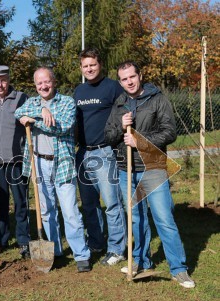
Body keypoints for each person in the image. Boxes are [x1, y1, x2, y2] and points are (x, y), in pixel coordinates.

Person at [105, 61, 195, 288]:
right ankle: (140, 261)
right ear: (120, 82)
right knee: (136, 219)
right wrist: (120, 126)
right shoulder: (119, 104)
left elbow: (170, 132)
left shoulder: (157, 99)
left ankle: (179, 269)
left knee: (164, 219)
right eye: (124, 79)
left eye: (132, 77)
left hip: (153, 167)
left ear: (140, 75)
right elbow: (108, 136)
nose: (129, 82)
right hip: (128, 170)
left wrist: (140, 141)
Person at [15, 67, 91, 272]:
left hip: (63, 163)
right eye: (39, 83)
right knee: (47, 211)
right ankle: (55, 250)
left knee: (70, 212)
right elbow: (18, 112)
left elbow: (63, 125)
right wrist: (41, 111)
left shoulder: (67, 102)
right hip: (38, 163)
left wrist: (34, 120)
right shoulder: (32, 102)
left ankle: (81, 254)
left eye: (46, 82)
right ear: (35, 85)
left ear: (53, 81)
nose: (43, 86)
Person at [74, 48, 127, 265]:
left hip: (105, 152)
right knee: (88, 203)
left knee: (112, 203)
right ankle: (96, 241)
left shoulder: (112, 87)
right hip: (83, 153)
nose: (89, 69)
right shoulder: (78, 91)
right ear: (81, 68)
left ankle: (117, 248)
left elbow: (125, 112)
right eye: (85, 66)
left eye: (92, 65)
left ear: (100, 65)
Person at [0, 65, 30, 258]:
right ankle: (0, 240)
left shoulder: (21, 99)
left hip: (16, 160)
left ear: (9, 79)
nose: (0, 84)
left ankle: (24, 241)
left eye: (3, 79)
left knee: (20, 202)